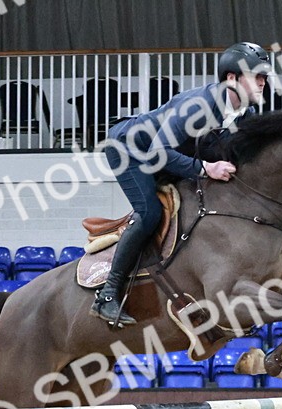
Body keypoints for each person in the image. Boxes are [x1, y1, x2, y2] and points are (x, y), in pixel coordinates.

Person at [91, 42, 271, 327]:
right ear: (232, 79)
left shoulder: (245, 116)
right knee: (149, 212)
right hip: (131, 149)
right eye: (256, 76)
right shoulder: (197, 106)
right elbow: (158, 152)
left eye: (265, 76)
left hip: (165, 155)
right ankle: (108, 294)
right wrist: (205, 168)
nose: (263, 82)